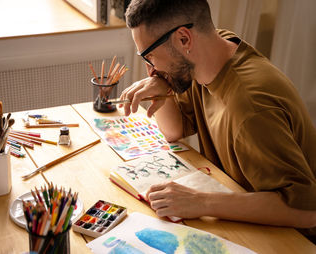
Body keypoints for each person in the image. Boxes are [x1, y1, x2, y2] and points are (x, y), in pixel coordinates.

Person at [119, 0, 316, 243]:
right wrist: (162, 83)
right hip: (244, 212)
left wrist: (200, 202)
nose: (149, 68)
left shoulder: (250, 108)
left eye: (149, 56)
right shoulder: (209, 54)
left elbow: (308, 212)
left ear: (183, 39)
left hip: (293, 238)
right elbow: (174, 130)